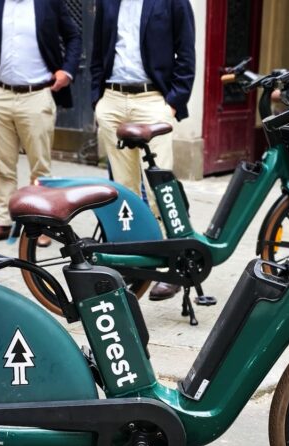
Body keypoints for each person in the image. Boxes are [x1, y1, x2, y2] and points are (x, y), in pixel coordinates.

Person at [91, 0, 195, 301]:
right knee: (123, 192)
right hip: (112, 99)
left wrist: (173, 102)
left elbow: (186, 52)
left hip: (152, 100)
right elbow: (98, 50)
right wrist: (97, 100)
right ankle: (133, 264)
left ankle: (175, 265)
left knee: (161, 188)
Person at [0, 0, 81, 244]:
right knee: (2, 165)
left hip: (37, 94)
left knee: (40, 167)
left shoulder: (48, 3)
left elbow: (73, 36)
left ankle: (41, 224)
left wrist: (68, 71)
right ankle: (3, 222)